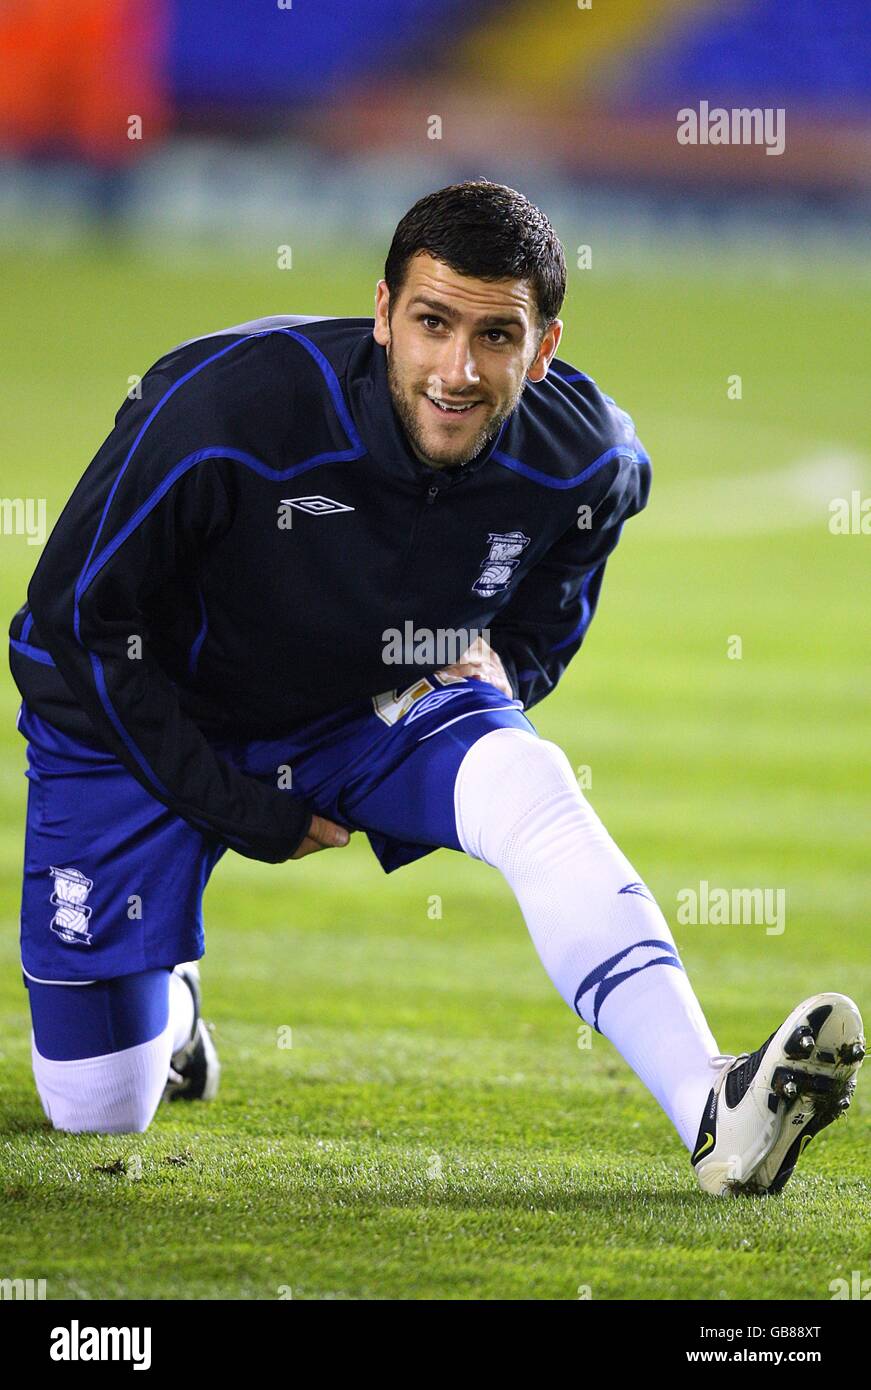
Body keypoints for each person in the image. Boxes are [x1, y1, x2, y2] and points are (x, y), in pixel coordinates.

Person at [8, 179, 863, 1194]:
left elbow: (552, 598)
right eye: (430, 323)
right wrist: (242, 808)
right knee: (98, 1107)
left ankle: (712, 1104)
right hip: (139, 713)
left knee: (527, 787)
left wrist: (506, 670)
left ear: (544, 348)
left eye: (496, 336)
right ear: (382, 314)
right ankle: (174, 1009)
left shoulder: (586, 455)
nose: (457, 370)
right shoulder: (222, 408)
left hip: (361, 699)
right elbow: (72, 625)